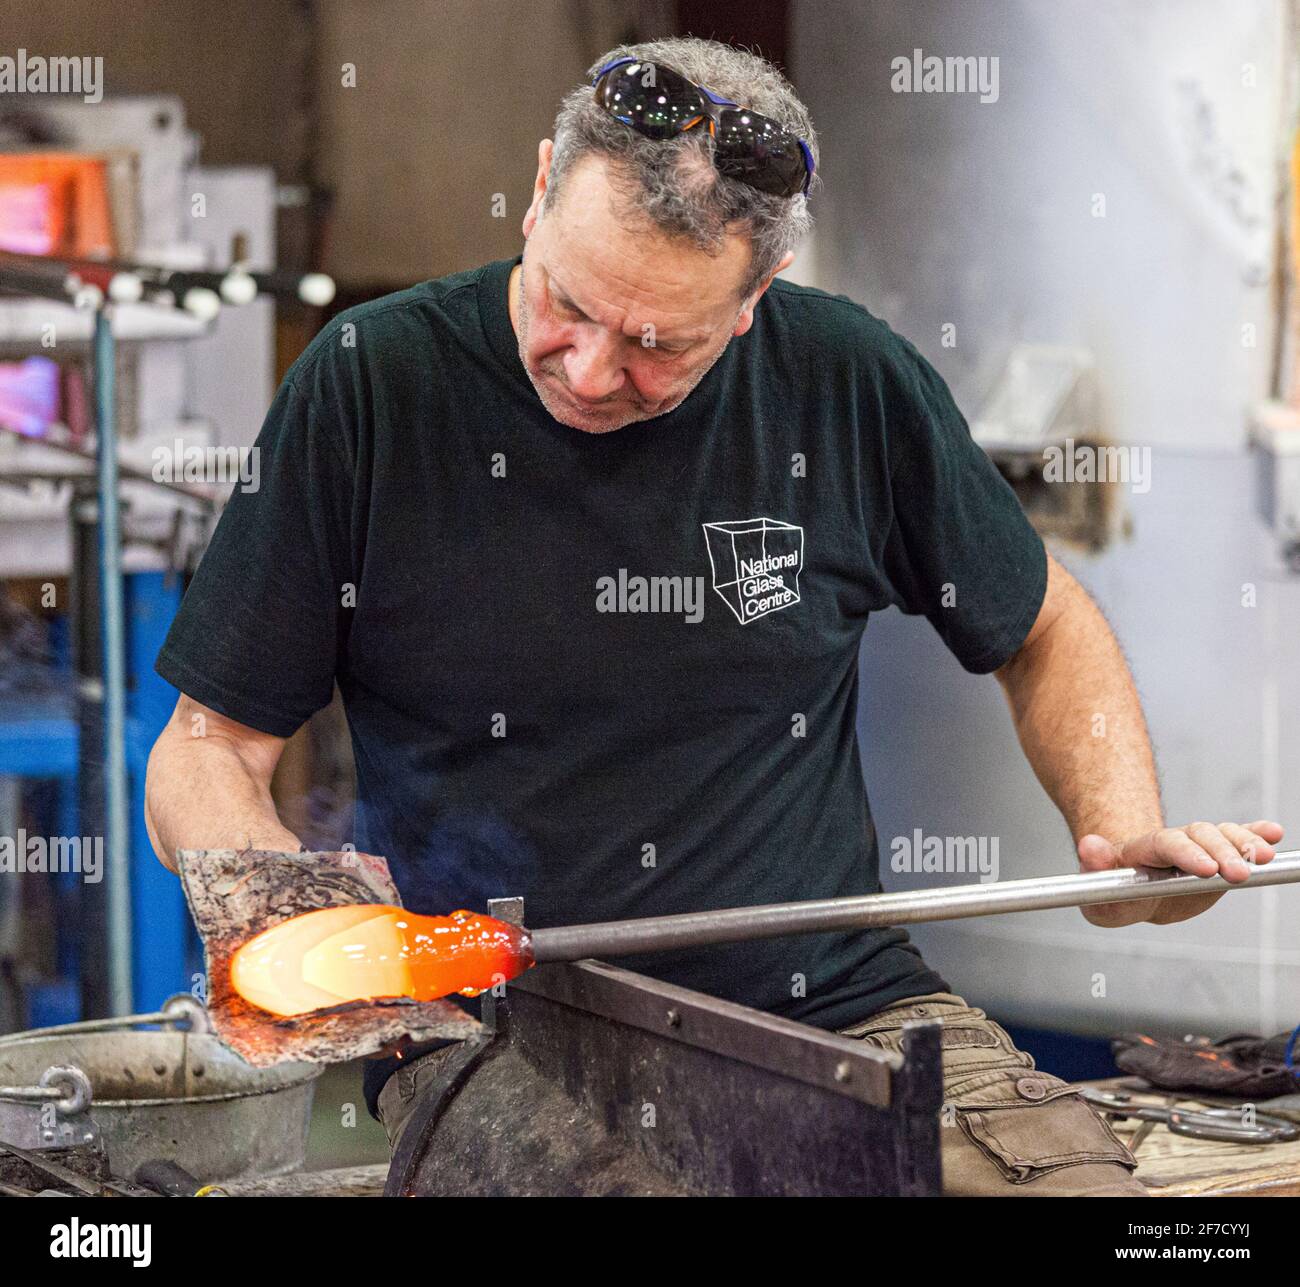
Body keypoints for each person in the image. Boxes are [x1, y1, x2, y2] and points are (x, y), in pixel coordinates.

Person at [145, 36, 1282, 1196]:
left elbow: (1043, 623)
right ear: (539, 191)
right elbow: (208, 748)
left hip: (837, 1006)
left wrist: (1119, 821)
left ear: (753, 302)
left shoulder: (846, 382)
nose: (589, 371)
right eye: (567, 306)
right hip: (498, 1033)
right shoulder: (372, 388)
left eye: (656, 345)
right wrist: (276, 901)